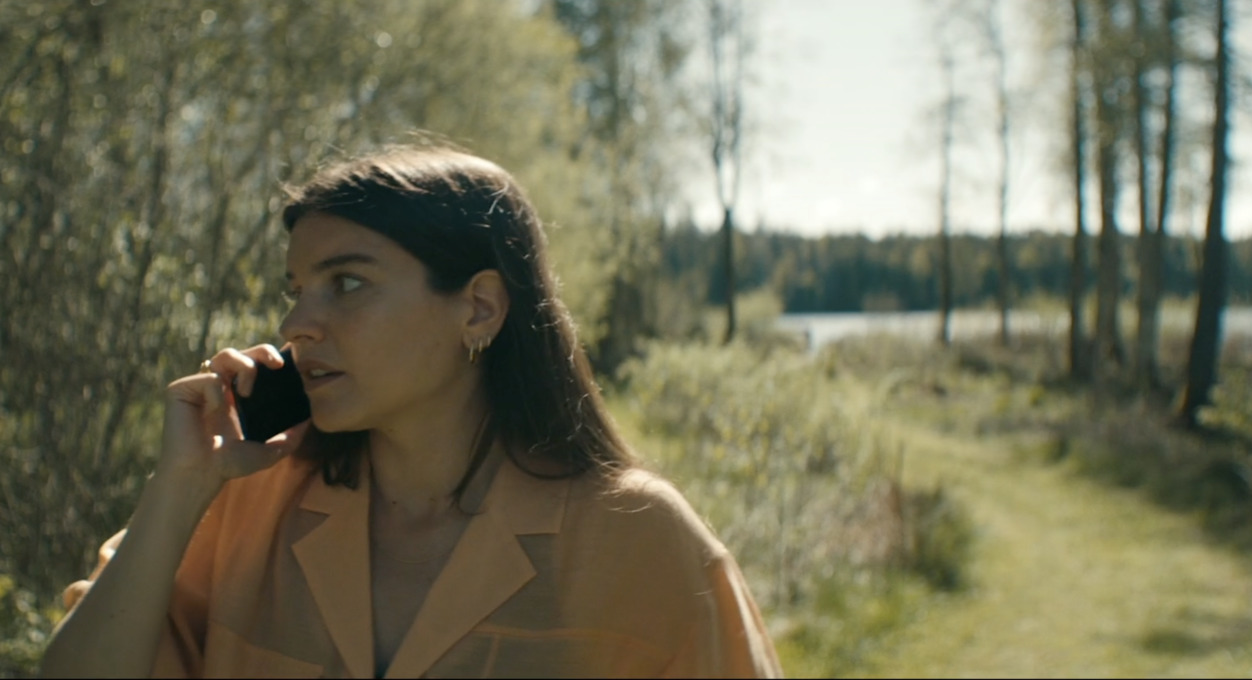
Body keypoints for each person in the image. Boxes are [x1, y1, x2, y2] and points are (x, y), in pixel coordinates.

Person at [39, 147, 782, 678]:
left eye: (348, 284)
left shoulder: (639, 543)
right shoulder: (243, 509)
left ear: (480, 308)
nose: (299, 321)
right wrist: (176, 491)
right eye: (296, 287)